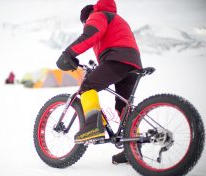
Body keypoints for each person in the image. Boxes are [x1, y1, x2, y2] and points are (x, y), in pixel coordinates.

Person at [56, 0, 142, 164]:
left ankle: (94, 126)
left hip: (117, 59)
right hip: (132, 63)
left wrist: (68, 54)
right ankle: (133, 149)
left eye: (85, 23)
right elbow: (116, 41)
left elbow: (91, 35)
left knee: (87, 86)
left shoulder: (98, 15)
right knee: (123, 106)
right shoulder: (116, 19)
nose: (85, 25)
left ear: (86, 18)